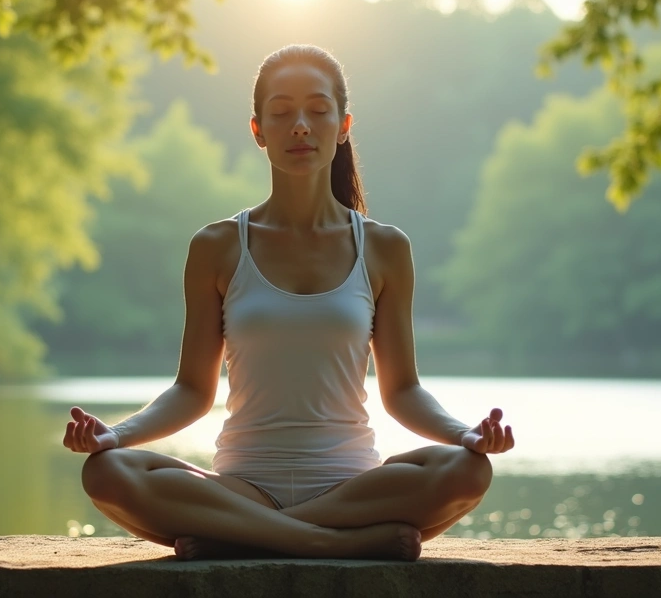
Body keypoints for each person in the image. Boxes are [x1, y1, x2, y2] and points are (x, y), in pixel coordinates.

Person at [62, 44, 515, 562]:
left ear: (343, 126)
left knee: (467, 470)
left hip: (351, 488)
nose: (300, 126)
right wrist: (114, 435)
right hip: (243, 486)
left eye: (318, 111)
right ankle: (328, 541)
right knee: (107, 471)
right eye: (281, 113)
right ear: (258, 130)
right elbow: (191, 390)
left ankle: (240, 536)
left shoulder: (385, 247)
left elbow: (403, 391)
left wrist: (465, 434)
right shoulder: (217, 246)